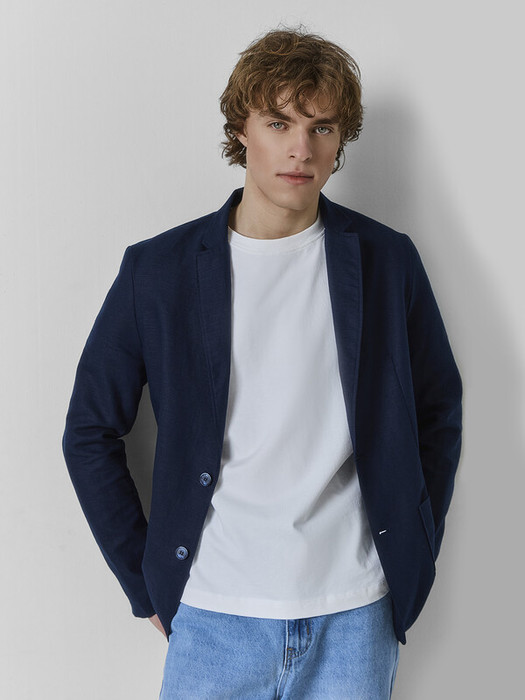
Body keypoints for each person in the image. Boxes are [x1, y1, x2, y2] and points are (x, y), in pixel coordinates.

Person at [63, 27, 462, 699]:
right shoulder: (157, 271)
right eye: (279, 122)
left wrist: (409, 557)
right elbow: (89, 432)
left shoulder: (386, 261)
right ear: (241, 131)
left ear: (340, 140)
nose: (301, 148)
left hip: (354, 613)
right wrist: (145, 581)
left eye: (321, 127)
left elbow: (437, 412)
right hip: (213, 613)